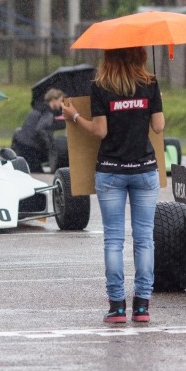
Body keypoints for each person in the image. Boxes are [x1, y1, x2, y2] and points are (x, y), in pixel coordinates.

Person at [61, 47, 165, 324]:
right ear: (139, 55)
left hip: (111, 172)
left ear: (109, 56)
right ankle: (142, 306)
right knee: (144, 239)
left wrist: (73, 116)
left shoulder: (101, 86)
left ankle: (117, 306)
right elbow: (158, 126)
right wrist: (156, 102)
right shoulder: (150, 83)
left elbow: (100, 131)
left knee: (114, 240)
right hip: (144, 170)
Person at [11, 88, 66, 173]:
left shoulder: (38, 108)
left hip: (22, 145)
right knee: (37, 173)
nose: (61, 104)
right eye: (61, 100)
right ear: (54, 100)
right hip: (31, 149)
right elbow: (40, 129)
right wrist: (49, 142)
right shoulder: (48, 113)